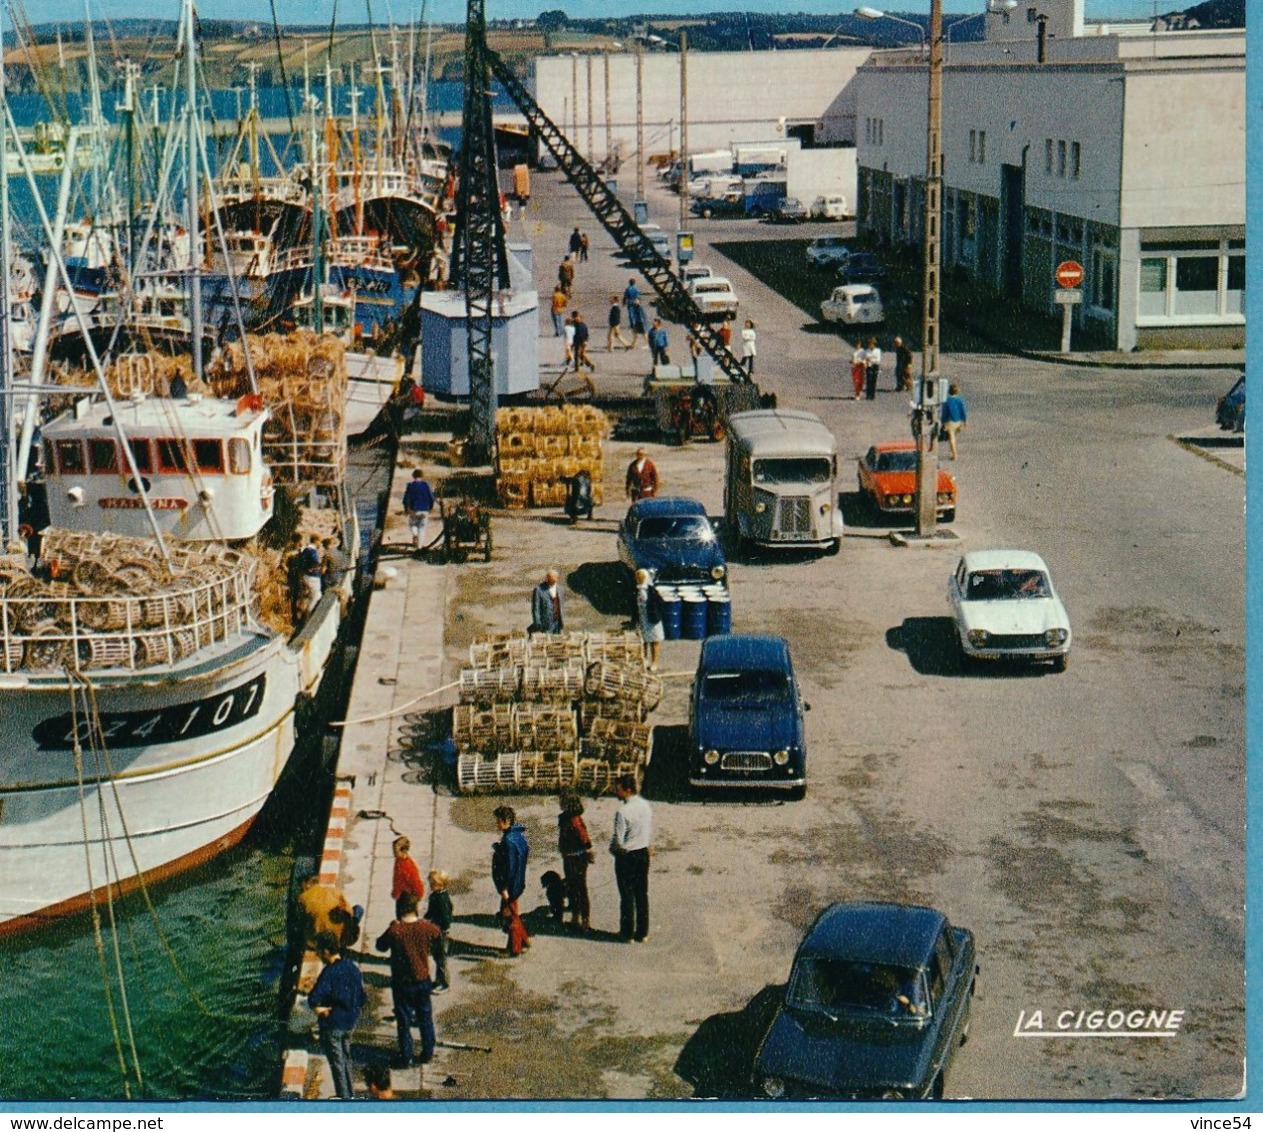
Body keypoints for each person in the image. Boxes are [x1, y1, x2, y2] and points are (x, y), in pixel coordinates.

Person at [375, 892, 440, 1069]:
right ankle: (427, 1052)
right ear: (416, 908)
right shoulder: (426, 928)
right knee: (425, 1016)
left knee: (403, 1019)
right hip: (422, 978)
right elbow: (437, 935)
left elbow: (380, 946)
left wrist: (391, 927)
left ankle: (406, 1056)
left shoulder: (395, 930)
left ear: (399, 910)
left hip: (402, 982)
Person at [308, 931, 366, 1100]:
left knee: (337, 1064)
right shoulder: (351, 967)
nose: (318, 955)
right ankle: (350, 1094)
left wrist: (322, 1010)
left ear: (326, 951)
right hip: (350, 1021)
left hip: (334, 1024)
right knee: (346, 1059)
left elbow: (314, 998)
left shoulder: (329, 972)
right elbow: (362, 997)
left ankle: (344, 1098)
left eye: (318, 952)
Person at [610, 774, 652, 943]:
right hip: (643, 853)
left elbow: (619, 841)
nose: (616, 792)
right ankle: (642, 933)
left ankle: (627, 933)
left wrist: (613, 848)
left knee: (627, 894)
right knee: (641, 893)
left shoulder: (622, 812)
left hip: (627, 856)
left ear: (627, 790)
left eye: (618, 789)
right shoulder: (645, 805)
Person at [492, 805, 530, 956]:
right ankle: (524, 940)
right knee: (512, 913)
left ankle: (515, 948)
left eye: (498, 821)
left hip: (509, 887)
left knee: (510, 917)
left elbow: (509, 868)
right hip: (517, 884)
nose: (496, 824)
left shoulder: (508, 841)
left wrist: (503, 888)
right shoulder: (517, 836)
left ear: (506, 821)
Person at [557, 793, 594, 933]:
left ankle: (583, 920)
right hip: (572, 857)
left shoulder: (573, 819)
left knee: (579, 888)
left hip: (576, 858)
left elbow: (583, 836)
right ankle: (578, 919)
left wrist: (589, 850)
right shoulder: (568, 818)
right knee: (576, 887)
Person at [298, 874, 362, 950]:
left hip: (334, 918)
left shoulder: (347, 909)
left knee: (359, 909)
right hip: (335, 932)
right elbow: (310, 940)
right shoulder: (329, 933)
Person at [424, 870, 453, 992]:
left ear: (441, 885)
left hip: (440, 932)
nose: (430, 886)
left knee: (441, 958)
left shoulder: (440, 899)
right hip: (436, 930)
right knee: (437, 957)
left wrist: (443, 928)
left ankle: (445, 983)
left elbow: (446, 917)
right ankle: (438, 980)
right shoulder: (437, 896)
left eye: (433, 883)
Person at [635, 569, 664, 672]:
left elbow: (659, 602)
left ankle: (654, 662)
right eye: (638, 577)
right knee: (643, 641)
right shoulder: (637, 590)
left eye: (641, 577)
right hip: (643, 619)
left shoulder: (651, 590)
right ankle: (644, 659)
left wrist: (655, 613)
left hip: (652, 619)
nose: (639, 579)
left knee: (654, 641)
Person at [402, 468, 434, 554]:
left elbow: (406, 499)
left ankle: (415, 535)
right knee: (422, 528)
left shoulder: (410, 485)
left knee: (412, 524)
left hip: (414, 509)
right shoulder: (426, 485)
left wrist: (406, 509)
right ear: (422, 476)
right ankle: (419, 548)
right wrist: (430, 507)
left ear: (413, 476)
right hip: (425, 510)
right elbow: (431, 497)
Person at [391, 836, 425, 903]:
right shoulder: (399, 860)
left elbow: (415, 882)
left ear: (404, 851)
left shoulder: (408, 867)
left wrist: (418, 896)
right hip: (401, 895)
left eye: (396, 851)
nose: (394, 854)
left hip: (408, 897)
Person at [939, 382, 968, 460]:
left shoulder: (947, 401)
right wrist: (965, 421)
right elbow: (963, 411)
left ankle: (954, 454)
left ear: (949, 391)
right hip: (958, 422)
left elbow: (945, 413)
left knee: (951, 437)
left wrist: (942, 422)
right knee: (954, 435)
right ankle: (952, 450)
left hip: (950, 422)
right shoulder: (960, 400)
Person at [531, 568, 565, 634]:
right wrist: (537, 623)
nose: (552, 582)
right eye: (550, 580)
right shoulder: (539, 590)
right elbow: (535, 608)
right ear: (547, 578)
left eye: (554, 580)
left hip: (557, 623)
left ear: (557, 579)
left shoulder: (560, 589)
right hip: (545, 624)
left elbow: (561, 605)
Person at [298, 535, 323, 617]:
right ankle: (307, 614)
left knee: (308, 596)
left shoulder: (305, 550)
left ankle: (303, 611)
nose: (320, 544)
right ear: (316, 541)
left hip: (305, 576)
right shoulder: (313, 552)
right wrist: (316, 567)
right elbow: (315, 562)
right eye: (320, 542)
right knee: (317, 596)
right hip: (313, 577)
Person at [864, 336, 882, 401]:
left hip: (875, 366)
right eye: (869, 344)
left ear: (874, 344)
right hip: (869, 366)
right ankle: (868, 395)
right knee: (868, 380)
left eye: (871, 344)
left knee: (874, 381)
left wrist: (870, 359)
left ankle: (872, 395)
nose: (870, 345)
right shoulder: (866, 351)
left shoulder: (878, 351)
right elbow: (865, 359)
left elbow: (878, 360)